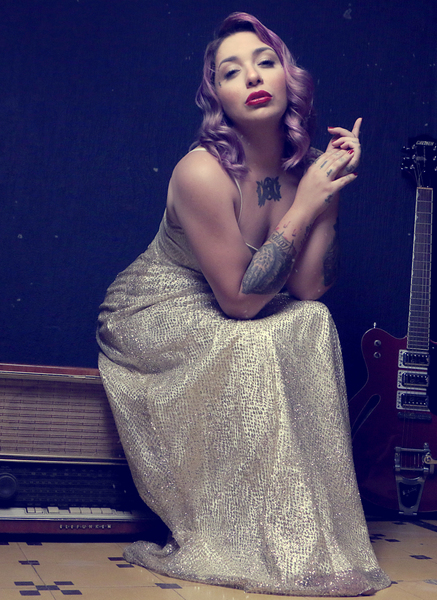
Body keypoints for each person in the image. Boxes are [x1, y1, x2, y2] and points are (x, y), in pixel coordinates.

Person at [97, 12, 391, 596]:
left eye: (264, 62)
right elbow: (237, 303)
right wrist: (304, 204)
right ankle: (247, 541)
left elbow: (308, 289)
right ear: (218, 99)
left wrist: (328, 191)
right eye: (231, 72)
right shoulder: (201, 172)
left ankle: (305, 539)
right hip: (156, 307)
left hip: (236, 300)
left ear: (288, 78)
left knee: (312, 322)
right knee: (253, 342)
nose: (252, 77)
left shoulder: (301, 170)